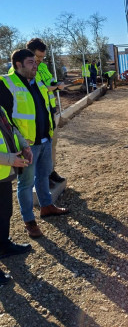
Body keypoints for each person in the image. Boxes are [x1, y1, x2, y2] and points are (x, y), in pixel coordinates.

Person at [0, 49, 69, 238]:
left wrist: (49, 132)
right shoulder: (6, 83)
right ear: (18, 65)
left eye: (35, 62)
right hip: (26, 144)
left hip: (44, 138)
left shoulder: (37, 81)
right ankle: (29, 222)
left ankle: (46, 206)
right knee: (25, 183)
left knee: (44, 175)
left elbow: (44, 107)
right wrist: (19, 144)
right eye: (31, 62)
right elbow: (5, 119)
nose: (35, 65)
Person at [25, 38, 66, 187]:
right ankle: (41, 177)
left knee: (52, 143)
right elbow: (39, 87)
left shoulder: (42, 67)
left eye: (42, 57)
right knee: (39, 148)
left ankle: (50, 171)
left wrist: (57, 84)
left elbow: (49, 81)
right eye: (37, 57)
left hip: (49, 111)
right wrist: (54, 87)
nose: (40, 60)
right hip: (36, 114)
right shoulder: (24, 69)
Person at [0, 105, 33, 285]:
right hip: (5, 165)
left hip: (2, 174)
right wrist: (10, 159)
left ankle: (3, 246)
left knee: (5, 213)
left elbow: (10, 129)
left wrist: (24, 145)